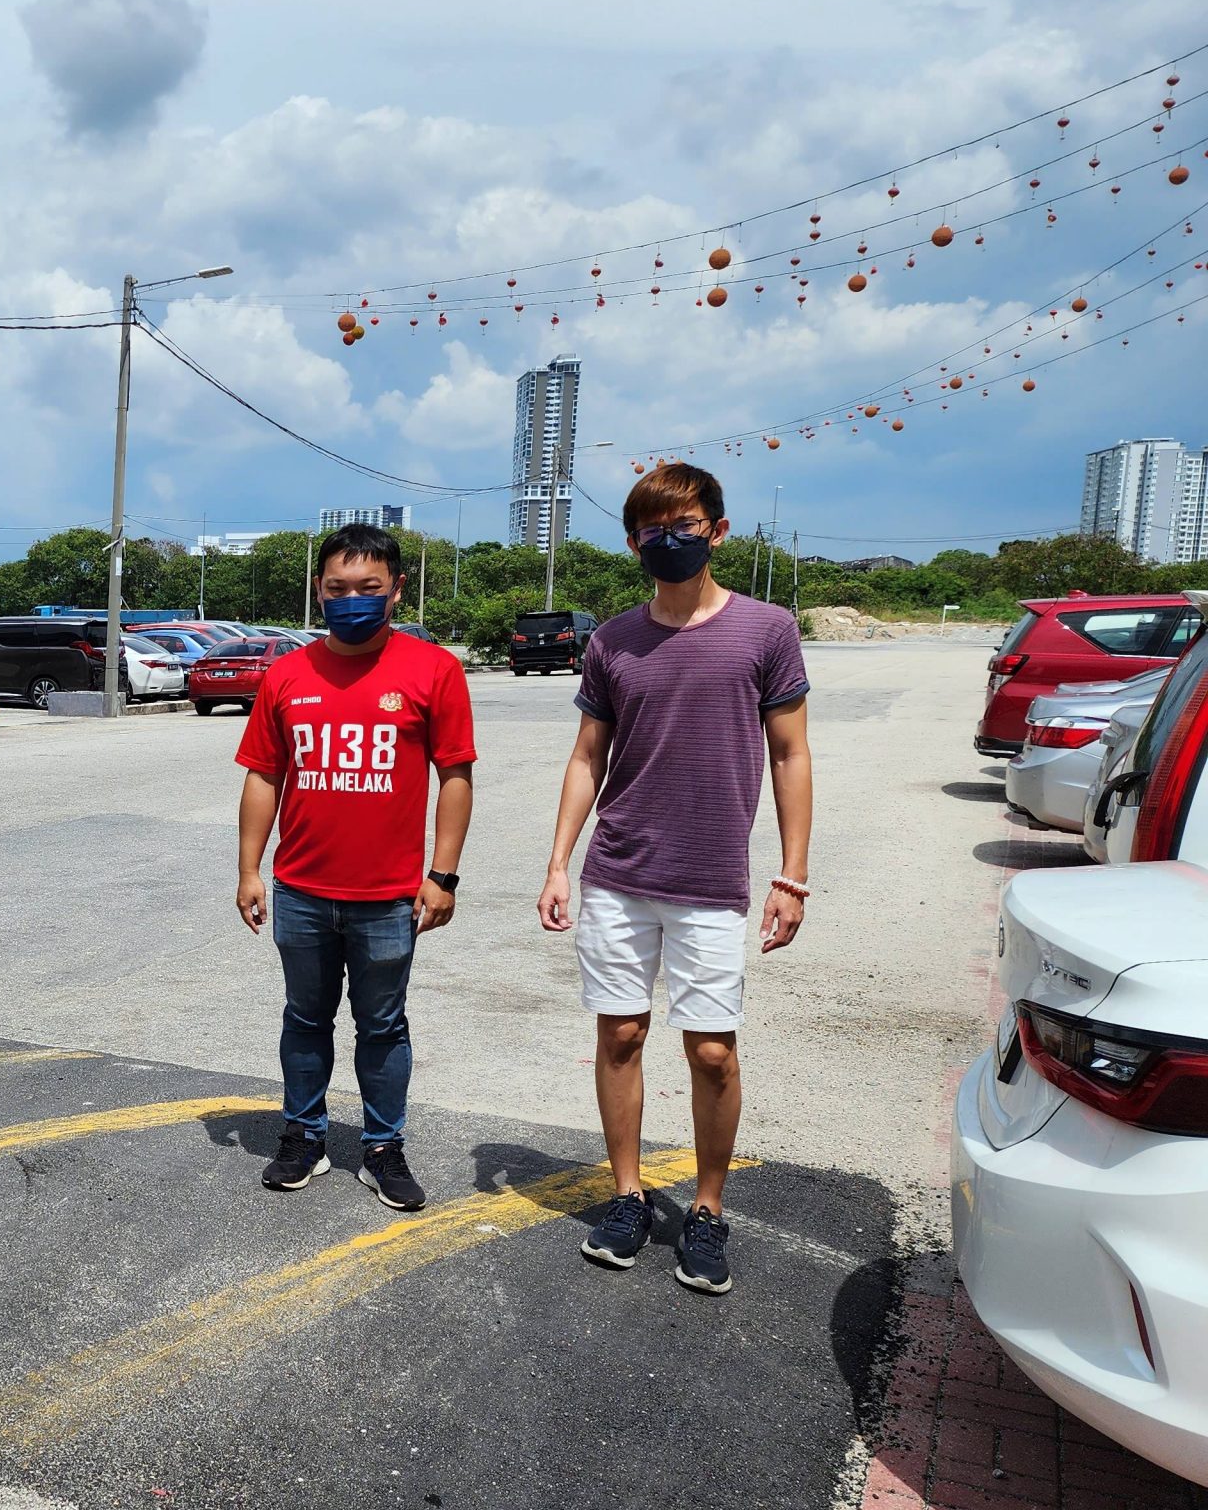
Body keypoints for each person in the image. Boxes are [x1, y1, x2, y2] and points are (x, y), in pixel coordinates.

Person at [535, 462, 813, 1295]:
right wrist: (558, 861)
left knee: (714, 1052)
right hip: (619, 869)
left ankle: (708, 1207)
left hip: (712, 879)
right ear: (631, 541)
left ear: (718, 530)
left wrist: (792, 876)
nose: (669, 540)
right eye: (653, 529)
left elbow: (792, 753)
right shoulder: (611, 640)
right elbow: (588, 758)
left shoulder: (767, 630)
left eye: (685, 524)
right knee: (619, 1037)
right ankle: (627, 1195)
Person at [234, 524, 476, 1207]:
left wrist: (444, 875)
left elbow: (454, 776)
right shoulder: (287, 673)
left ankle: (382, 1147)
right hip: (302, 890)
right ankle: (303, 1136)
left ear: (397, 589)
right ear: (318, 591)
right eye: (337, 588)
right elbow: (262, 776)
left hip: (390, 896)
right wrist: (251, 869)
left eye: (369, 588)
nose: (352, 600)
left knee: (383, 1025)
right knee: (304, 1019)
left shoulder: (433, 670)